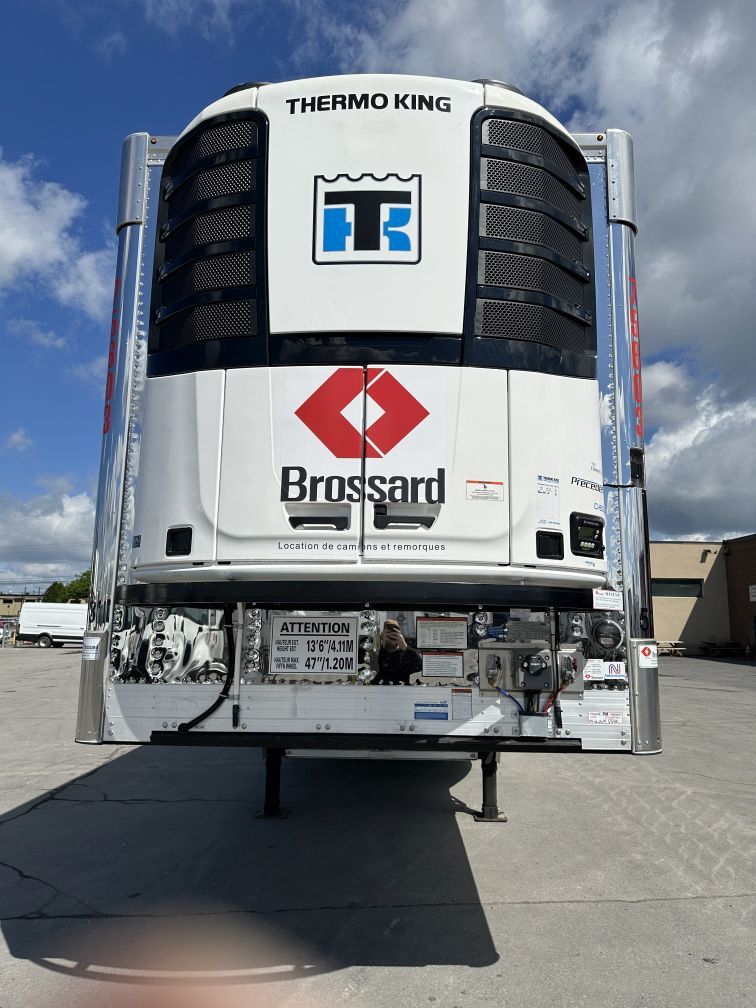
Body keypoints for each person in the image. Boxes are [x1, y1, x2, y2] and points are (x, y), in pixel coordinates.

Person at [372, 619, 422, 684]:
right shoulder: (376, 654)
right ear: (382, 635)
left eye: (395, 631)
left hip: (401, 692)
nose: (392, 634)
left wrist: (405, 647)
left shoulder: (405, 655)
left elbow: (419, 667)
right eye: (388, 630)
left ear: (400, 636)